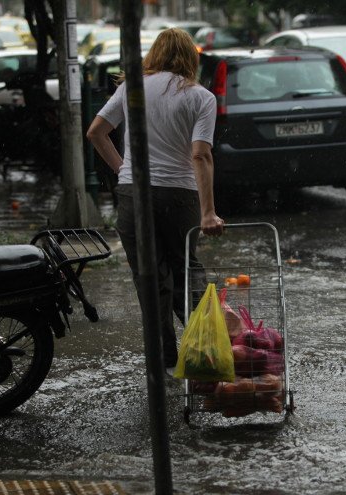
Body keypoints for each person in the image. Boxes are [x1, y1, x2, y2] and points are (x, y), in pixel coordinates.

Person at [86, 27, 224, 373]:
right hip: (179, 195)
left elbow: (96, 132)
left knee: (149, 277)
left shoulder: (130, 88)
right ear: (190, 58)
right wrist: (208, 212)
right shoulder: (200, 97)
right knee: (186, 269)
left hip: (134, 194)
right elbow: (200, 156)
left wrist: (124, 170)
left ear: (155, 53)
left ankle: (164, 356)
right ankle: (206, 351)